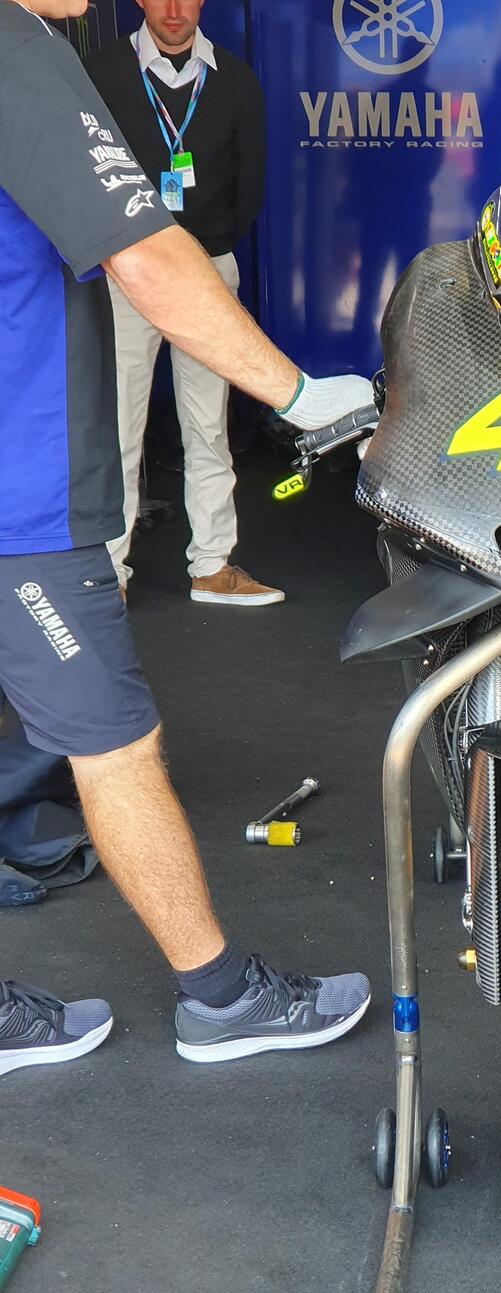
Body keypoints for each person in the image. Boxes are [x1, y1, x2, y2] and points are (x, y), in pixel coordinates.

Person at [0, 0, 376, 1075]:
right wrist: (298, 394)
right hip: (24, 497)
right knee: (114, 746)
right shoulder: (18, 51)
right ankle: (220, 999)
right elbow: (148, 257)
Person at [86, 0, 277, 606]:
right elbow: (86, 176)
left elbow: (249, 185)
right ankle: (109, 575)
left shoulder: (235, 80)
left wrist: (205, 252)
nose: (173, 9)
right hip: (128, 271)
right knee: (119, 428)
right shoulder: (102, 73)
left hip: (207, 272)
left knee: (208, 426)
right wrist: (129, 254)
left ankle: (212, 566)